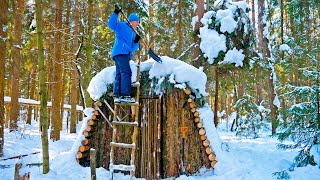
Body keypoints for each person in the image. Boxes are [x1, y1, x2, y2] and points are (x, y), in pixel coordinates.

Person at [108, 5, 141, 103]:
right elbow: (111, 24)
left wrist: (136, 41)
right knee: (126, 72)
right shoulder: (122, 26)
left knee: (119, 74)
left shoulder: (133, 32)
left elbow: (133, 48)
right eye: (137, 21)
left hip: (125, 54)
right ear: (132, 20)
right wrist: (115, 13)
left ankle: (117, 95)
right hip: (120, 52)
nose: (138, 23)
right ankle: (125, 95)